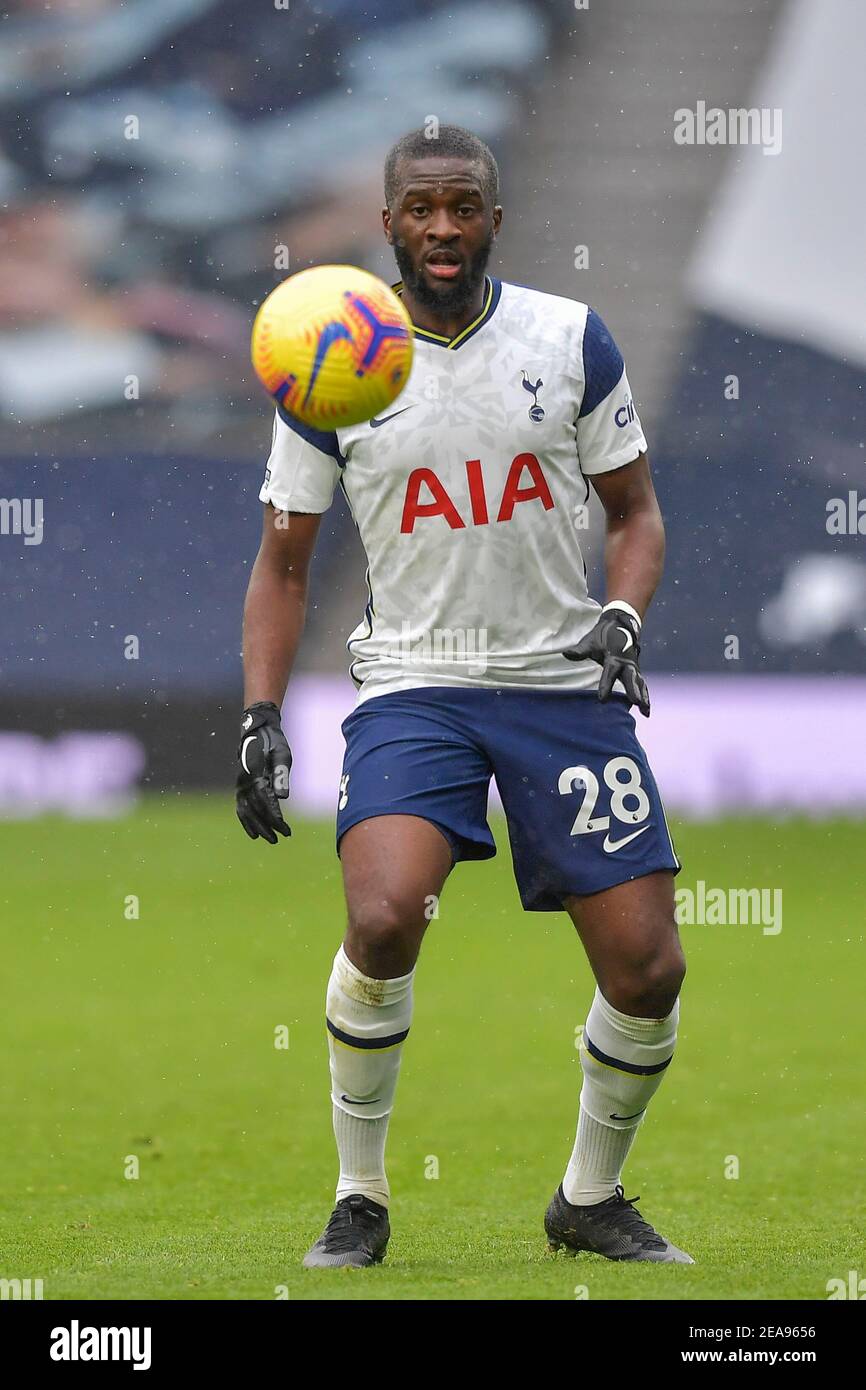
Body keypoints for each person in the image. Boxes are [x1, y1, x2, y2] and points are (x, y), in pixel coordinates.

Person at [237, 125, 691, 1268]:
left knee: (647, 968)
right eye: (421, 208)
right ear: (386, 222)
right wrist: (258, 713)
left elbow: (634, 514)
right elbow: (283, 562)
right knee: (385, 914)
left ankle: (587, 1197)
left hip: (559, 685)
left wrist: (621, 619)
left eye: (464, 206)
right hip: (415, 686)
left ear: (497, 216)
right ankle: (359, 1196)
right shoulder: (328, 361)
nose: (443, 227)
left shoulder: (567, 339)